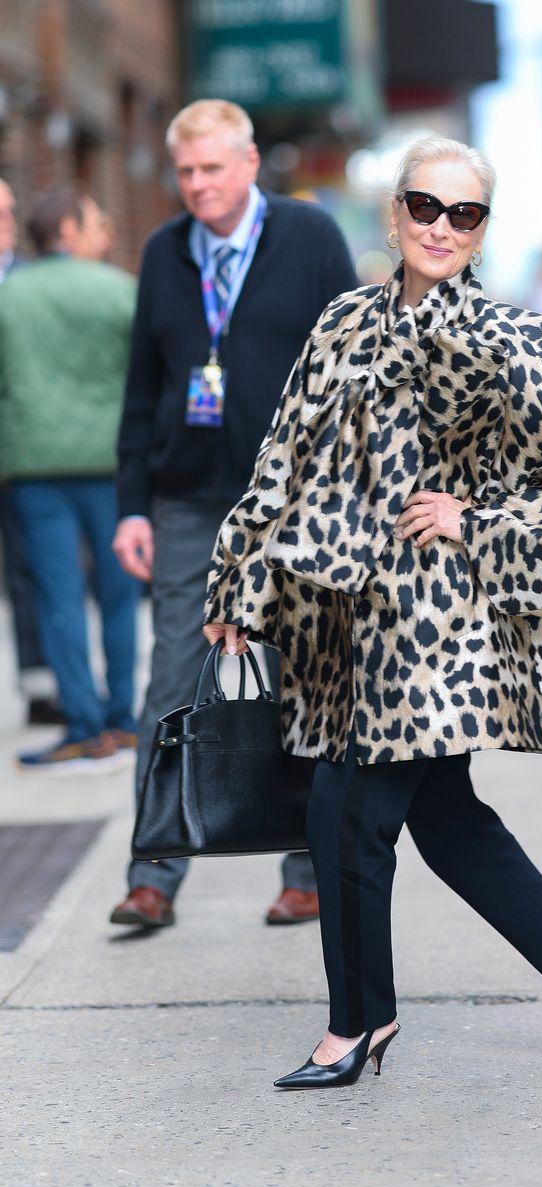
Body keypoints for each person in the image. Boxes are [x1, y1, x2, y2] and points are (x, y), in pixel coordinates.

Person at [203, 136, 542, 1090]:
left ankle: (359, 1024)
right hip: (342, 618)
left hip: (434, 622)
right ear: (396, 211)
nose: (442, 227)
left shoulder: (516, 336)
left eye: (465, 213)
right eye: (425, 206)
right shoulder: (344, 322)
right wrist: (237, 578)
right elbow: (283, 457)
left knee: (343, 813)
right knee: (448, 823)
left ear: (483, 231)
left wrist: (477, 521)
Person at [110, 99, 357, 930]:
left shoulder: (309, 237)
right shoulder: (165, 250)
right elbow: (142, 389)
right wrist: (132, 508)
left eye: (212, 168)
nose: (198, 185)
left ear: (250, 164)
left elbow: (354, 370)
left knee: (301, 676)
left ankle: (307, 871)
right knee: (171, 682)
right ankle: (153, 872)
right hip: (186, 500)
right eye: (185, 171)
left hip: (291, 500)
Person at [0, 186, 140, 771]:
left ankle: (82, 724)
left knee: (58, 596)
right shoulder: (119, 289)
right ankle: (124, 719)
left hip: (36, 467)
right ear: (68, 230)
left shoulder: (9, 295)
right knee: (119, 592)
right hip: (112, 463)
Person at [0, 177, 64, 728]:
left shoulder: (30, 282)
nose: (6, 223)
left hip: (20, 454)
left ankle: (40, 685)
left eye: (9, 211)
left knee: (29, 573)